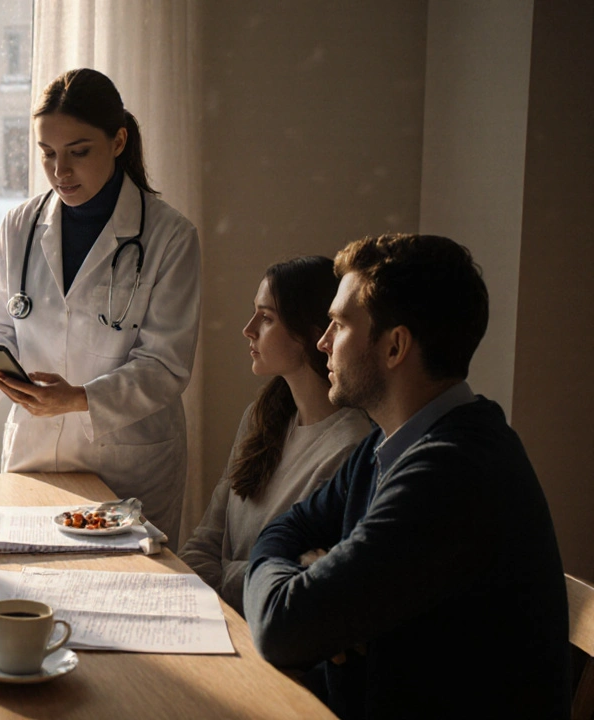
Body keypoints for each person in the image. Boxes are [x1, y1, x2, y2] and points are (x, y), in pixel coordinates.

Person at [244, 235, 569, 719]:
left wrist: (313, 593)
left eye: (339, 324)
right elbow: (276, 535)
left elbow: (280, 627)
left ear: (395, 346)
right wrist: (309, 582)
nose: (322, 342)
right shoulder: (384, 446)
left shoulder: (454, 471)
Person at [0, 68, 200, 545]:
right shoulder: (19, 226)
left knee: (127, 595)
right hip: (36, 452)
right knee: (28, 581)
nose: (60, 171)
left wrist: (80, 399)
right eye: (47, 154)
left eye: (78, 152)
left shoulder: (170, 237)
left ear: (119, 140)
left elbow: (165, 365)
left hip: (127, 461)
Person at [178, 257, 370, 613]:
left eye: (266, 318)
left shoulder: (350, 448)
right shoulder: (261, 418)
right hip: (215, 618)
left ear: (313, 334)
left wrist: (224, 575)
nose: (248, 329)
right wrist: (226, 578)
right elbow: (204, 542)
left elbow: (296, 585)